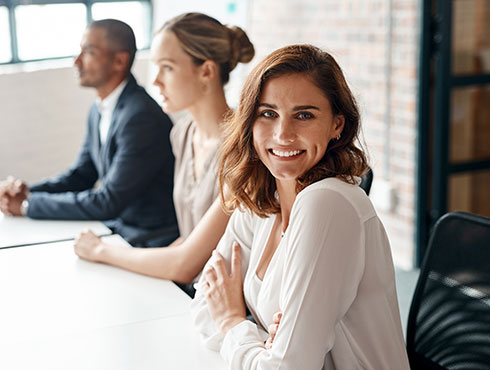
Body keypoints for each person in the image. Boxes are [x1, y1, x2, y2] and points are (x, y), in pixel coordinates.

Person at [190, 44, 411, 369]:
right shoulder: (262, 199)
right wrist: (262, 341)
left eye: (304, 115)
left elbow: (282, 365)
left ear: (337, 125)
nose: (283, 134)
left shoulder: (328, 203)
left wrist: (235, 323)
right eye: (268, 113)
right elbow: (204, 309)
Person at [73, 13, 255, 292]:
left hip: (228, 303)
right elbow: (189, 240)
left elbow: (186, 264)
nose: (155, 81)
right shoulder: (182, 134)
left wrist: (101, 251)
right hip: (193, 292)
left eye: (167, 68)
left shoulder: (243, 150)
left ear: (206, 71)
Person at [0, 19, 178, 247]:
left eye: (89, 52)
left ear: (119, 61)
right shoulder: (100, 108)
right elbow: (82, 175)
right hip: (118, 230)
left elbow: (108, 201)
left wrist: (27, 205)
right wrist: (25, 191)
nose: (77, 61)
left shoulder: (141, 117)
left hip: (148, 239)